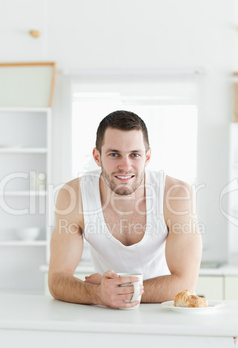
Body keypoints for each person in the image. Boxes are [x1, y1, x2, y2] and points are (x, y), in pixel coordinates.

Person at [48, 110, 202, 309]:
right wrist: (97, 293)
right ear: (97, 156)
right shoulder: (73, 195)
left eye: (135, 154)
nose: (125, 165)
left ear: (147, 157)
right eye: (114, 154)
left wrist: (112, 291)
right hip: (107, 311)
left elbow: (185, 284)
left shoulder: (177, 194)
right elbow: (56, 280)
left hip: (163, 310)